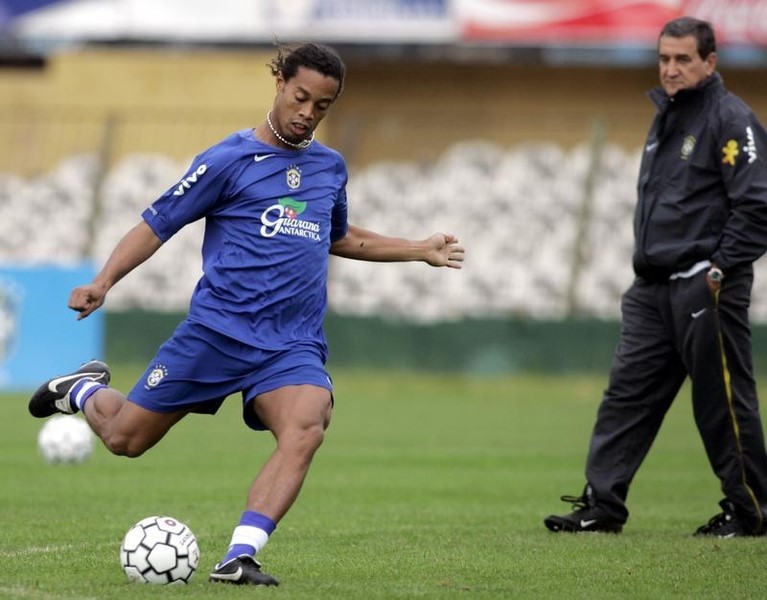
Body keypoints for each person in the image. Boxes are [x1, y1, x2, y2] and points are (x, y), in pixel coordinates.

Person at [28, 42, 465, 586]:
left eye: (322, 106)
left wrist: (417, 248)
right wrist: (103, 281)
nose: (308, 113)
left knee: (307, 426)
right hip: (215, 333)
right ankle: (83, 390)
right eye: (301, 97)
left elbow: (343, 238)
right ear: (279, 82)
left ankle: (240, 555)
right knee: (124, 440)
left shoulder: (330, 167)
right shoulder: (227, 160)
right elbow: (157, 223)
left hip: (290, 344)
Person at [544, 16, 767, 537]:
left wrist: (719, 269)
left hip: (703, 284)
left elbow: (757, 205)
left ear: (709, 63)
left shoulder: (730, 119)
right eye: (664, 58)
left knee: (722, 402)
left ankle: (751, 509)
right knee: (626, 396)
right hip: (652, 289)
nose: (670, 69)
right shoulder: (668, 117)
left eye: (682, 59)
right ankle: (603, 504)